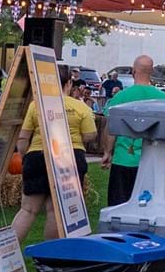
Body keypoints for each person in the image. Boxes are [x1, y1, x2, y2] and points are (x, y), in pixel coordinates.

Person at [10, 63, 100, 243]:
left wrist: (25, 156)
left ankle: (8, 253)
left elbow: (23, 137)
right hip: (69, 157)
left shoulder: (36, 105)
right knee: (56, 211)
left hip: (37, 156)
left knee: (28, 209)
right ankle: (49, 255)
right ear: (69, 84)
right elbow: (90, 135)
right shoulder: (80, 107)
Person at [103, 54, 165, 207]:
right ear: (151, 72)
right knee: (147, 205)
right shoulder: (163, 99)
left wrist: (107, 152)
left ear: (133, 71)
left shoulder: (120, 97)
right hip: (152, 162)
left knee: (119, 205)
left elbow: (110, 128)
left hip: (123, 158)